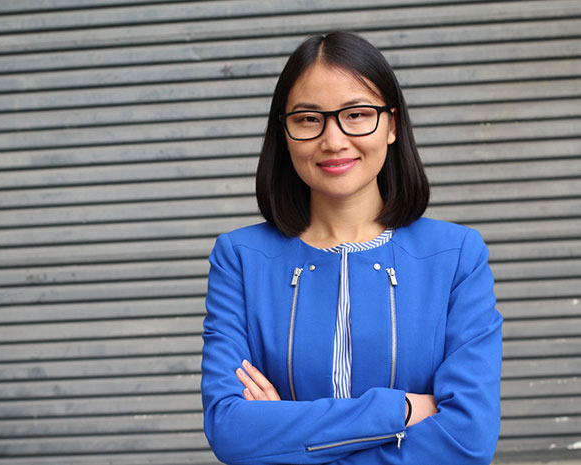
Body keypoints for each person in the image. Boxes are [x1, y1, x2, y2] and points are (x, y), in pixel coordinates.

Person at [201, 31, 502, 464]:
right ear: (283, 132)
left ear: (392, 124)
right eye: (308, 119)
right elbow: (231, 430)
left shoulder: (456, 256)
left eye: (357, 114)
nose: (334, 140)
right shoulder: (241, 259)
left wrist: (286, 432)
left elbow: (468, 439)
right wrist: (399, 409)